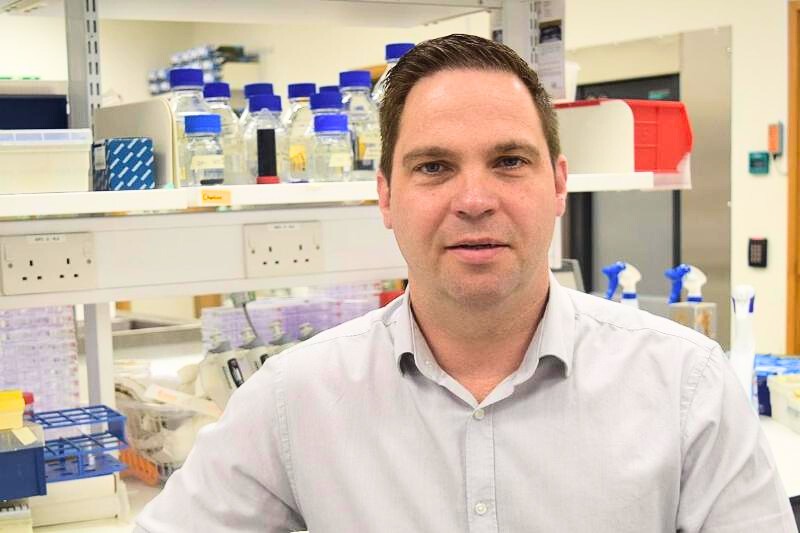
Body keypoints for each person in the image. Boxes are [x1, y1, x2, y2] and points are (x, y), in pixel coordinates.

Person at [135, 34, 796, 532]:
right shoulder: (294, 401)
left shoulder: (686, 387)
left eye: (509, 161)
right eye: (434, 166)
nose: (474, 199)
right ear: (386, 195)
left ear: (559, 184)